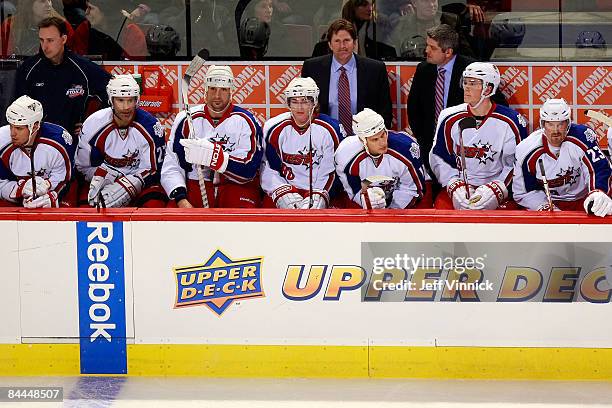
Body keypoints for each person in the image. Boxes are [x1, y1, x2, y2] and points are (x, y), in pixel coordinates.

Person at [408, 24, 506, 176]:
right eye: (427, 45)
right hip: (430, 146)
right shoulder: (423, 69)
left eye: (432, 48)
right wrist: (425, 141)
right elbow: (414, 109)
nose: (426, 51)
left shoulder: (472, 70)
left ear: (448, 52)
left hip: (467, 145)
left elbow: (498, 105)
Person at [430, 61, 527, 210]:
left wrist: (497, 189)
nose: (466, 88)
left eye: (473, 83)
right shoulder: (449, 116)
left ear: (488, 89)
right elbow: (438, 156)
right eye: (466, 82)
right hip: (461, 187)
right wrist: (453, 184)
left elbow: (516, 163)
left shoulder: (511, 121)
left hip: (495, 187)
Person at [162, 65, 263, 208]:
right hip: (195, 185)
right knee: (172, 214)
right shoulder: (186, 119)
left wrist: (215, 158)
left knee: (242, 216)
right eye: (213, 88)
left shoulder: (246, 121)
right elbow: (171, 164)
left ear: (231, 92)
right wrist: (180, 198)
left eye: (223, 89)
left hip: (233, 186)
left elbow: (250, 170)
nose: (217, 95)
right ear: (205, 90)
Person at [75, 74, 167, 208]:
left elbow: (155, 170)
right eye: (120, 100)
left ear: (137, 100)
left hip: (140, 182)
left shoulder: (151, 126)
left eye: (130, 100)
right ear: (111, 101)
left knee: (154, 206)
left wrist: (130, 184)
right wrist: (106, 176)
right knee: (87, 207)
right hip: (106, 180)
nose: (126, 107)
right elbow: (83, 167)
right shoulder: (93, 125)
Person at [14, 16, 111, 138]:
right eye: (42, 40)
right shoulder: (28, 69)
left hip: (72, 142)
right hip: (38, 141)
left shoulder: (82, 67)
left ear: (63, 39)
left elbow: (113, 90)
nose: (45, 46)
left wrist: (93, 123)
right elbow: (17, 108)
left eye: (50, 40)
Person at [513, 99, 612, 217]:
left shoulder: (583, 137)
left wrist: (598, 192)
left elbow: (599, 169)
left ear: (568, 123)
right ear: (542, 124)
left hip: (585, 200)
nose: (555, 130)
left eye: (560, 124)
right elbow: (523, 192)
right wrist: (544, 207)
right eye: (550, 124)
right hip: (551, 204)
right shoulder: (525, 150)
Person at [260, 77, 343, 209]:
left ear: (314, 102)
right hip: (288, 189)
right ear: (288, 103)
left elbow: (334, 171)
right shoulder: (273, 128)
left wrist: (320, 194)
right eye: (294, 101)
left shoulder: (331, 129)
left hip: (321, 190)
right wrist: (281, 190)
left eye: (305, 101)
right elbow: (268, 166)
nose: (299, 107)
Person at [301, 18, 393, 134]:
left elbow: (385, 111)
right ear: (329, 44)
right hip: (324, 137)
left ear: (355, 43)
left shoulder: (375, 69)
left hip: (363, 139)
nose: (342, 46)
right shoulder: (312, 68)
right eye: (337, 41)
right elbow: (304, 108)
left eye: (346, 40)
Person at [335, 108, 426, 209]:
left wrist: (391, 211)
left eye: (383, 135)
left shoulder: (406, 148)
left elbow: (413, 189)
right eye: (375, 139)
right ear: (362, 140)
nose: (383, 142)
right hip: (363, 206)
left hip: (401, 207)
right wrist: (364, 200)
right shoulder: (345, 154)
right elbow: (353, 189)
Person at [0, 95, 76, 208]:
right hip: (13, 197)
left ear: (35, 126)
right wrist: (20, 190)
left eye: (19, 128)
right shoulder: (2, 141)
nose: (12, 133)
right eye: (11, 126)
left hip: (53, 195)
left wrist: (53, 197)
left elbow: (65, 179)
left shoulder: (60, 141)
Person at [0, 0, 80, 57]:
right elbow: (4, 57)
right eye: (42, 1)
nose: (49, 5)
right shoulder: (10, 24)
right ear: (29, 4)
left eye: (49, 0)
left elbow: (71, 55)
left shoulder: (62, 24)